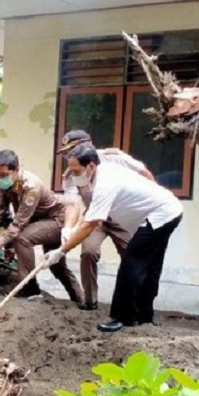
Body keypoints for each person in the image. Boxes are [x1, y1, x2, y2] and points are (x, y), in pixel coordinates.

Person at [45, 145, 183, 333]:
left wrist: (61, 251)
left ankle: (123, 317)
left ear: (91, 166)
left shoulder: (105, 182)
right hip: (166, 212)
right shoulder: (100, 174)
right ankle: (144, 316)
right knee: (150, 265)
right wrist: (70, 230)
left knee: (131, 262)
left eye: (77, 170)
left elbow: (90, 223)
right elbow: (85, 216)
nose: (74, 175)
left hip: (162, 214)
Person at [57, 130, 155, 311]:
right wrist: (68, 228)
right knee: (88, 252)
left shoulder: (114, 158)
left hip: (124, 217)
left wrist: (150, 208)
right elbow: (72, 204)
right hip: (96, 219)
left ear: (88, 146)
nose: (68, 156)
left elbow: (146, 175)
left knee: (132, 256)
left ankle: (138, 305)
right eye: (66, 153)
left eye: (71, 151)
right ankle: (90, 301)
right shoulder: (71, 175)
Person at [0, 149, 84, 302]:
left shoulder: (31, 186)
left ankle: (30, 288)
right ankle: (80, 299)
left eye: (3, 175)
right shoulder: (2, 183)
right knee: (57, 265)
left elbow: (18, 224)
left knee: (21, 238)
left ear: (16, 170)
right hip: (38, 222)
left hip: (57, 220)